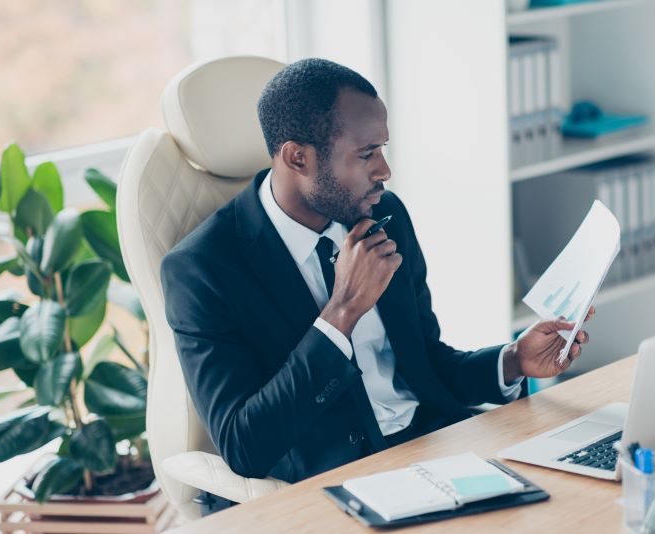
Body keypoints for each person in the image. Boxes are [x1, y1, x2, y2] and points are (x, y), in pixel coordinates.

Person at [161, 58, 592, 489]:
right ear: (298, 157)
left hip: (437, 447)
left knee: (583, 490)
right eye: (367, 154)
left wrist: (513, 360)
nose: (384, 171)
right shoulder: (202, 270)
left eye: (382, 149)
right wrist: (342, 312)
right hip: (336, 483)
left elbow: (426, 364)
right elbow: (244, 446)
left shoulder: (385, 215)